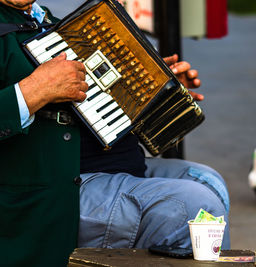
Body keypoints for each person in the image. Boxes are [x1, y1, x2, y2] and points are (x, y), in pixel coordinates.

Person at [0, 0, 230, 266]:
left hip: (95, 164)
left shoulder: (41, 18)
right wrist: (33, 90)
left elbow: (92, 101)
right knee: (195, 204)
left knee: (207, 181)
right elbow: (40, 90)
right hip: (47, 187)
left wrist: (152, 90)